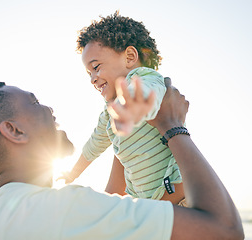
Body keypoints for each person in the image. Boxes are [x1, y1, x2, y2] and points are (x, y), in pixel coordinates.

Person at [0, 78, 244, 239]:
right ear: (14, 130)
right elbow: (224, 230)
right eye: (34, 102)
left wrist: (125, 137)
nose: (49, 109)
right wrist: (173, 126)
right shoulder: (66, 209)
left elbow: (107, 213)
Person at [58, 12, 185, 204]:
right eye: (89, 73)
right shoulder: (110, 111)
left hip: (176, 194)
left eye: (97, 67)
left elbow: (149, 97)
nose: (93, 78)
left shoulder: (146, 78)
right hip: (149, 202)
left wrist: (132, 110)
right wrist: (72, 174)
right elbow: (93, 146)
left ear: (130, 57)